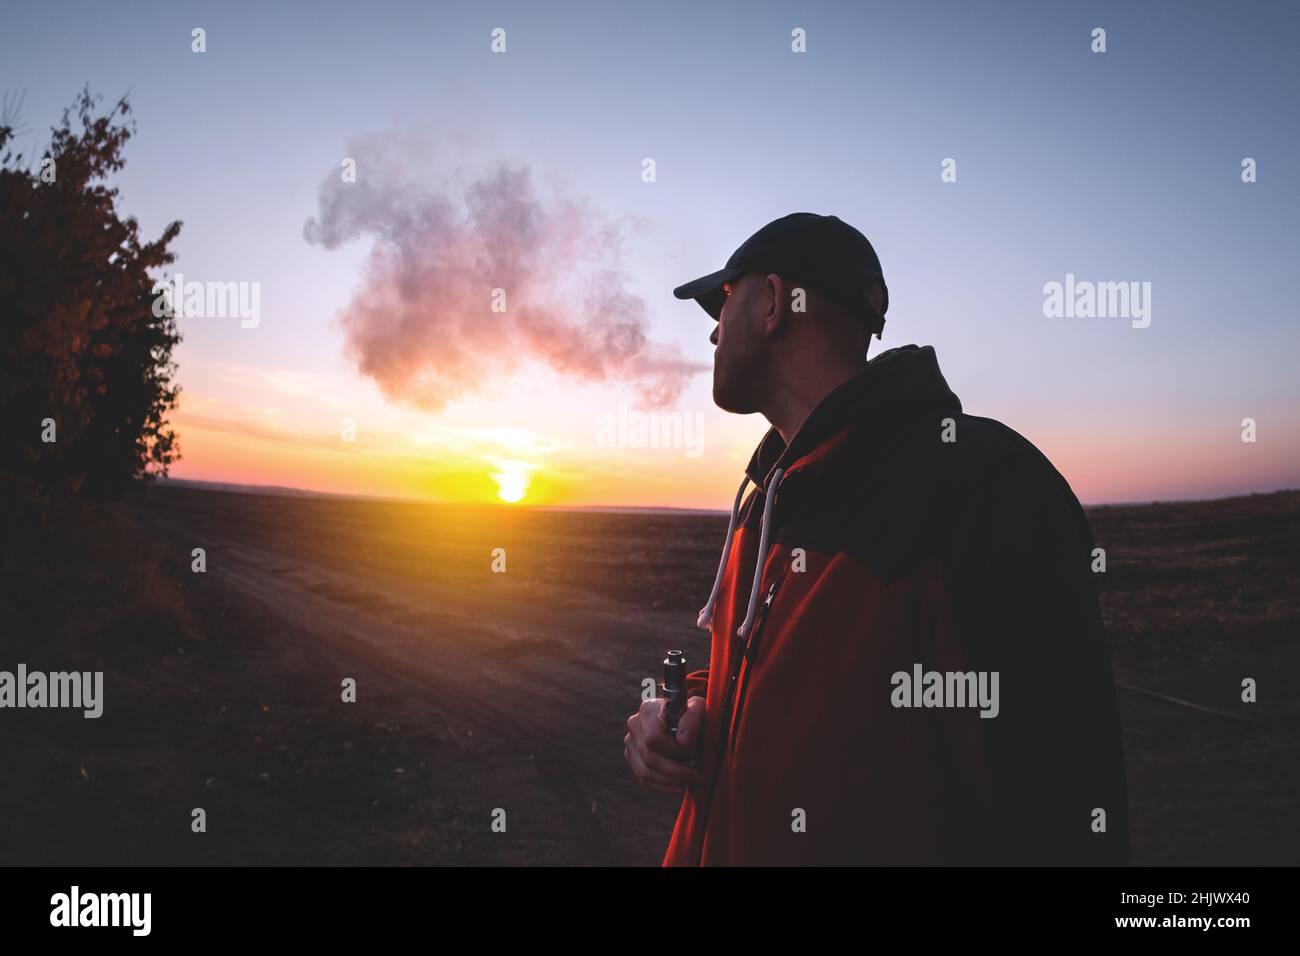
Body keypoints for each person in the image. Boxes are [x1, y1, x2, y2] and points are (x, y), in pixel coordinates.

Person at [623, 213, 1130, 865]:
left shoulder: (975, 488)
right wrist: (690, 707)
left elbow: (1054, 811)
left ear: (775, 302)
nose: (715, 331)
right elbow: (794, 691)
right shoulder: (768, 502)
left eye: (724, 302)